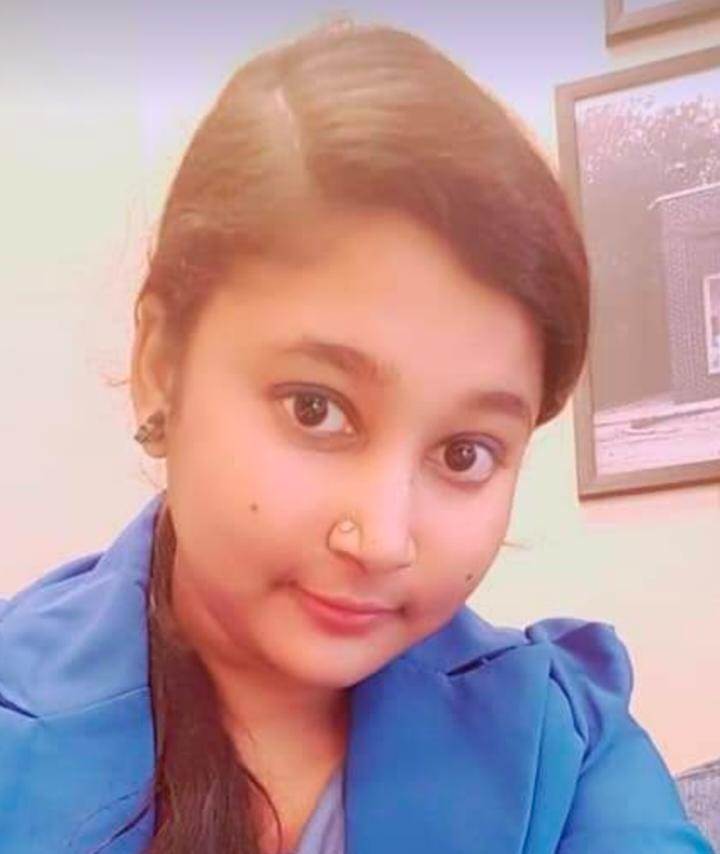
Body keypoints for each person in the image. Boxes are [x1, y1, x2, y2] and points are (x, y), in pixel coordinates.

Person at [0, 17, 712, 854]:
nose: (381, 540)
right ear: (160, 364)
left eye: (463, 453)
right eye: (316, 409)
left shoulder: (569, 746)